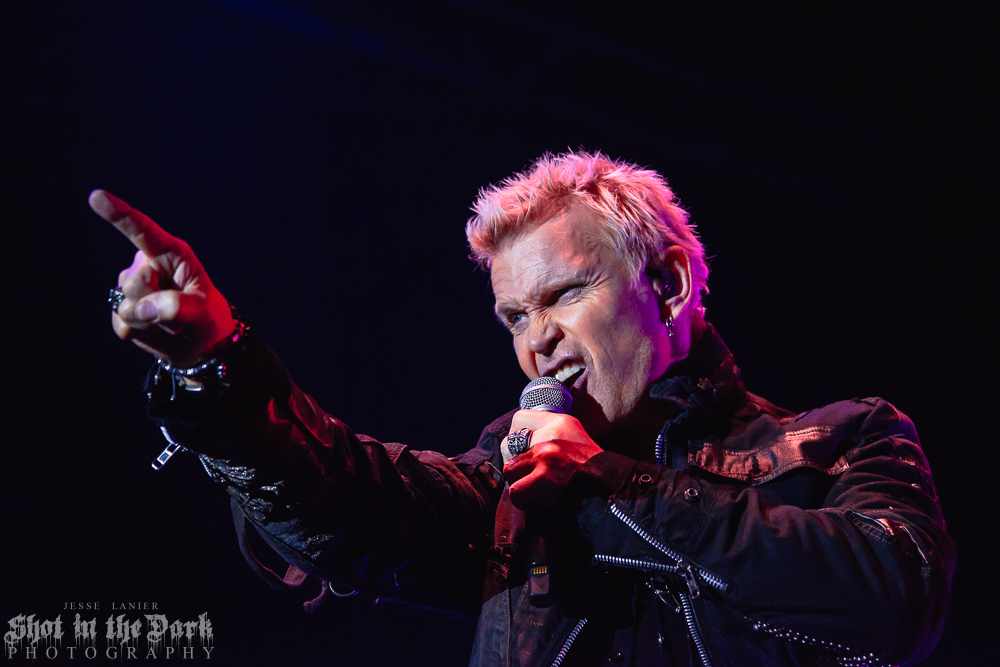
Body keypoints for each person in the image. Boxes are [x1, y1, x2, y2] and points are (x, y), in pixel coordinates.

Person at [93, 151, 954, 666]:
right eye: (514, 316)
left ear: (669, 283)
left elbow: (891, 600)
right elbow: (350, 500)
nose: (536, 339)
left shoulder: (841, 439)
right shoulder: (513, 486)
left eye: (565, 295)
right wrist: (217, 365)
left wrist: (610, 486)